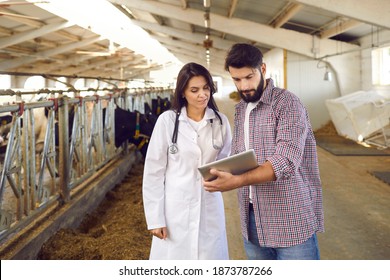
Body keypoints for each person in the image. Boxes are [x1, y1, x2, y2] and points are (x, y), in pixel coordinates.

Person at [203, 43, 324, 260]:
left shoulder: (287, 103)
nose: (244, 86)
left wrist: (236, 181)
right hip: (251, 218)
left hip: (289, 217)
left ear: (263, 69)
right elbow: (242, 156)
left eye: (249, 77)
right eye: (237, 80)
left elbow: (285, 161)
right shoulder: (241, 108)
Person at [142, 62, 232, 260]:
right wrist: (155, 218)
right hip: (175, 211)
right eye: (195, 90)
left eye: (206, 88)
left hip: (209, 207)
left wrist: (225, 176)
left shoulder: (220, 122)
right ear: (182, 92)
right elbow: (153, 173)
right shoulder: (167, 121)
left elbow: (226, 161)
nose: (203, 94)